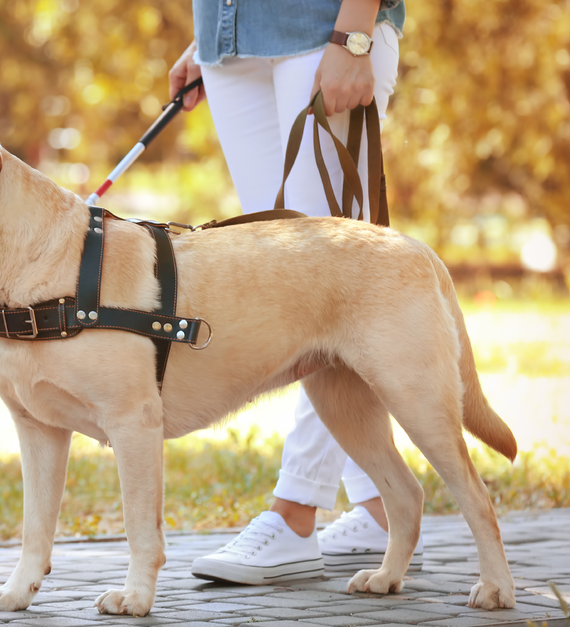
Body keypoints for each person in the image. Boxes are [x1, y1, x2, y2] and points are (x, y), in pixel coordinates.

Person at [169, 0, 424, 585]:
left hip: (323, 29)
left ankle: (296, 510)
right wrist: (217, 33)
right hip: (230, 42)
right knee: (285, 286)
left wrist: (355, 35)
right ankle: (379, 505)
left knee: (329, 284)